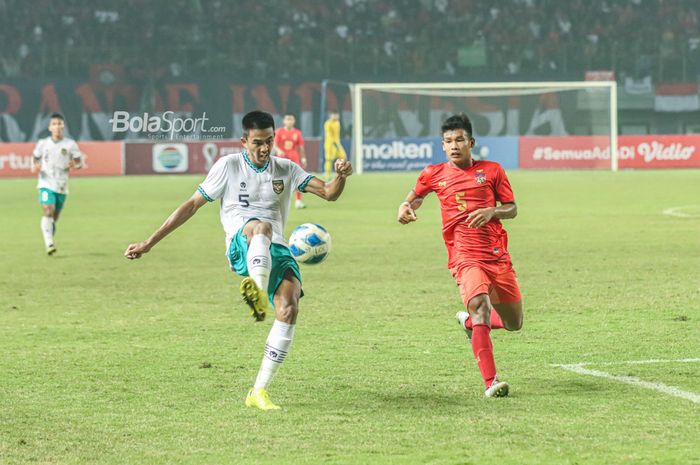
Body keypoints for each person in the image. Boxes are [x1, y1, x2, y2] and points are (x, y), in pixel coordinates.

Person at [124, 110, 353, 410]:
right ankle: (255, 290)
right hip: (241, 246)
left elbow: (328, 193)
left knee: (289, 308)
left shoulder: (286, 168)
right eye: (258, 142)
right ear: (244, 141)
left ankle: (258, 391)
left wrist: (340, 176)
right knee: (261, 226)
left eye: (269, 141)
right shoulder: (228, 166)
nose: (265, 148)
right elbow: (191, 205)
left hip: (278, 251)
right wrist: (149, 242)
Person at [397, 113, 523, 398]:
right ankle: (491, 382)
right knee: (480, 305)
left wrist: (493, 211)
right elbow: (414, 197)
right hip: (464, 256)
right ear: (443, 145)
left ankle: (469, 323)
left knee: (515, 324)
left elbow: (512, 207)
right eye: (448, 141)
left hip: (497, 255)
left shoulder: (492, 170)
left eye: (459, 140)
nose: (454, 146)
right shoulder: (434, 173)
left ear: (471, 142)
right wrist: (405, 206)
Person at [31, 113, 83, 255]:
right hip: (45, 182)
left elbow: (79, 163)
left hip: (61, 185)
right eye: (54, 124)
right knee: (48, 210)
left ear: (63, 126)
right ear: (49, 127)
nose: (57, 127)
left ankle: (49, 233)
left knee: (54, 217)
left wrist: (75, 165)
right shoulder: (43, 143)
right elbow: (35, 158)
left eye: (59, 124)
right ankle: (49, 244)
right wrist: (36, 166)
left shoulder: (70, 144)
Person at [274, 113, 308, 209]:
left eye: (291, 119)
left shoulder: (297, 133)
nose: (289, 121)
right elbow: (274, 144)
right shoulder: (279, 132)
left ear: (294, 121)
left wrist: (303, 158)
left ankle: (298, 201)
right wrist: (278, 150)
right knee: (279, 180)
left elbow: (301, 147)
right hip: (281, 159)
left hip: (294, 158)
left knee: (298, 179)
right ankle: (278, 200)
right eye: (287, 119)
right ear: (284, 121)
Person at [323, 111, 347, 180]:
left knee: (343, 156)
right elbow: (329, 135)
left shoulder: (337, 123)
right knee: (329, 160)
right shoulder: (328, 123)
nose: (335, 116)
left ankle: (340, 172)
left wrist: (336, 143)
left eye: (336, 115)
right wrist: (333, 143)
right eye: (334, 115)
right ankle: (327, 175)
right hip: (330, 144)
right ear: (331, 115)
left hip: (337, 144)